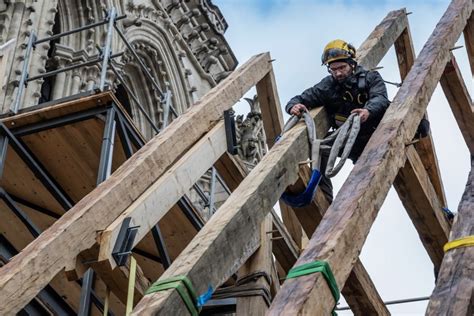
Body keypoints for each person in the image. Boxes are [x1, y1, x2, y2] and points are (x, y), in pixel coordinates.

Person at [285, 39, 390, 203]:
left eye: (342, 68)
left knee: (366, 178)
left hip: (374, 136)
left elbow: (380, 98)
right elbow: (302, 98)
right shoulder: (328, 86)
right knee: (320, 151)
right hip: (348, 139)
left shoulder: (370, 78)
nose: (338, 73)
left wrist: (368, 111)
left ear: (352, 64)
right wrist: (293, 106)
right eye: (334, 69)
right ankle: (324, 200)